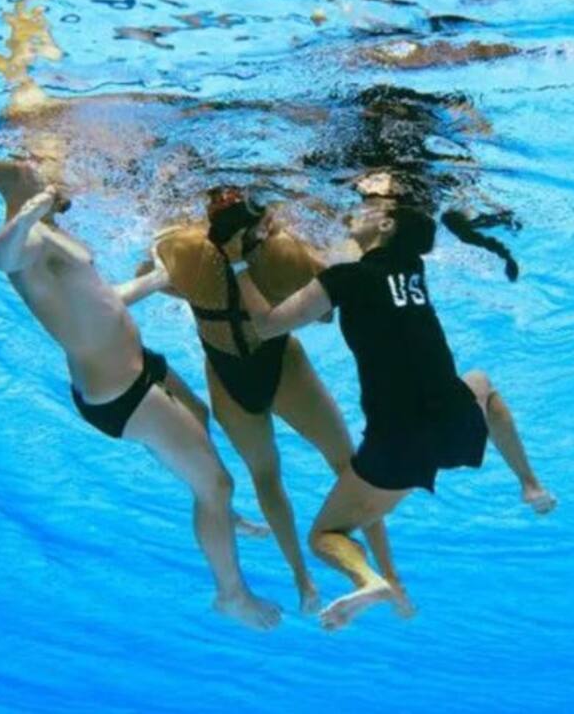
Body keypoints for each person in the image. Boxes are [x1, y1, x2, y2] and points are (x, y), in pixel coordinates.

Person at [0, 159, 280, 630]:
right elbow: (0, 259)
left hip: (137, 366)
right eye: (37, 170)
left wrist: (157, 279)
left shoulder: (48, 232)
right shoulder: (29, 239)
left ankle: (221, 516)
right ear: (23, 183)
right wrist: (27, 214)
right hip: (121, 393)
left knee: (199, 414)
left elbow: (101, 299)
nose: (49, 173)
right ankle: (231, 595)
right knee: (216, 485)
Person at [237, 200, 556, 631]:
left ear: (387, 224)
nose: (356, 208)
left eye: (370, 206)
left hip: (397, 446)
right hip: (452, 422)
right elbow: (366, 265)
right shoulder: (412, 271)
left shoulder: (346, 279)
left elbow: (267, 325)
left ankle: (369, 580)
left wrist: (241, 272)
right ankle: (531, 485)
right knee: (481, 383)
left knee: (324, 536)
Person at [150, 187, 405, 614]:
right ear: (261, 222)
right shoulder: (284, 251)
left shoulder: (184, 247)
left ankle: (304, 581)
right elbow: (325, 312)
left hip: (228, 372)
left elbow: (153, 276)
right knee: (347, 464)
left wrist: (201, 296)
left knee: (267, 477)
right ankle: (386, 574)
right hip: (281, 363)